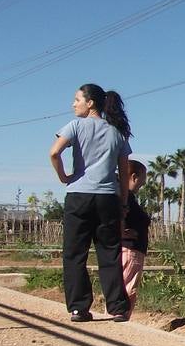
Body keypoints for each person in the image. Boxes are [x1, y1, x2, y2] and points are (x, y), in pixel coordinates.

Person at [49, 83, 133, 323]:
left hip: (79, 196)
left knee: (75, 253)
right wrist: (124, 204)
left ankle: (79, 308)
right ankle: (117, 307)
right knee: (109, 252)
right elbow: (125, 172)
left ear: (90, 103)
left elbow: (54, 153)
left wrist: (64, 177)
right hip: (108, 198)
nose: (73, 104)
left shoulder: (75, 126)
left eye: (77, 99)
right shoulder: (116, 132)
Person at [120, 160, 151, 315]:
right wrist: (121, 232)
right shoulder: (126, 198)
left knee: (123, 286)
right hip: (131, 250)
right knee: (127, 288)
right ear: (134, 177)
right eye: (142, 178)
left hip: (129, 249)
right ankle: (119, 319)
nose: (143, 183)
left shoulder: (127, 197)